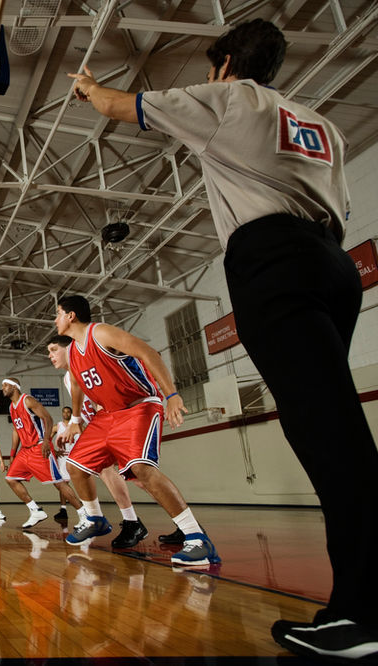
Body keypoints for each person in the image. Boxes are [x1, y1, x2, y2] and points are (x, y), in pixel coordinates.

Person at [68, 18, 377, 659]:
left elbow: (120, 106)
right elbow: (340, 214)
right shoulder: (325, 128)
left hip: (273, 262)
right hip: (333, 265)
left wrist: (88, 86)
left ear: (225, 63)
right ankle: (357, 603)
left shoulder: (229, 97)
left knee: (330, 435)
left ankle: (365, 614)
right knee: (329, 426)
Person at [53, 295, 217, 569]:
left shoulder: (101, 333)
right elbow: (79, 385)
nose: (55, 319)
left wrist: (172, 394)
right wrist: (76, 418)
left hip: (138, 406)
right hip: (108, 415)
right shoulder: (72, 353)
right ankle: (94, 518)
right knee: (76, 467)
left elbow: (148, 352)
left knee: (142, 469)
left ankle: (196, 537)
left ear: (71, 316)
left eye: (57, 313)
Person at [47, 335, 149, 549]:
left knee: (143, 476)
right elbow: (85, 411)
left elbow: (101, 400)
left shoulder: (84, 365)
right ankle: (130, 521)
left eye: (54, 349)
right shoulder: (68, 378)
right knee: (108, 471)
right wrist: (79, 429)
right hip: (103, 426)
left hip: (120, 420)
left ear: (70, 349)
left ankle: (180, 523)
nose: (50, 355)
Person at [1, 377, 86, 529]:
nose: (3, 388)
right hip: (25, 450)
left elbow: (47, 417)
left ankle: (84, 515)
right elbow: (16, 430)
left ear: (15, 387)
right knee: (10, 478)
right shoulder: (11, 408)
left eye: (6, 385)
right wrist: (12, 453)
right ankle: (35, 511)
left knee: (59, 484)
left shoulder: (27, 400)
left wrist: (46, 440)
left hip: (39, 446)